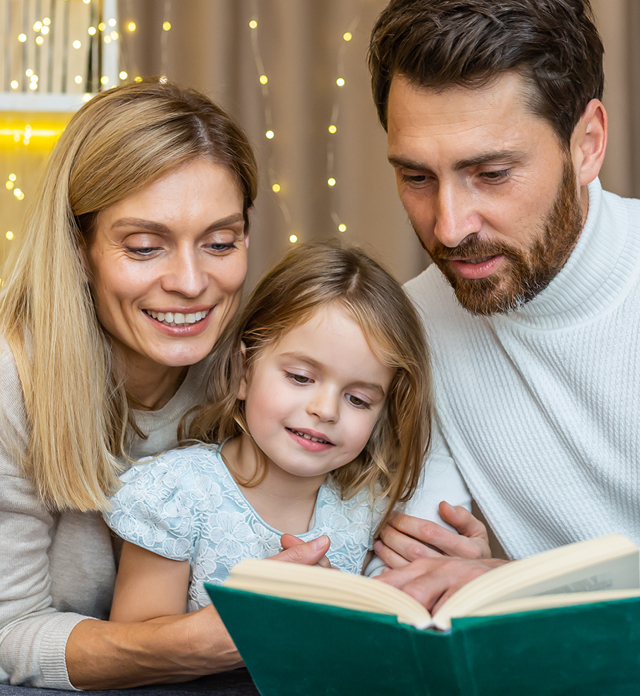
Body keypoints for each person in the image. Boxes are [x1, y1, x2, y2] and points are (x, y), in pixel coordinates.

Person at [0, 80, 329, 691]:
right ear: (79, 249)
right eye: (146, 247)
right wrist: (196, 643)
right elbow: (6, 637)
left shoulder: (256, 365)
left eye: (220, 243)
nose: (190, 281)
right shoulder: (8, 385)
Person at [365, 0, 640, 610]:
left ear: (588, 144)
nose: (449, 227)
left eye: (491, 173)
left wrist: (518, 581)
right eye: (415, 178)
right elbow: (410, 573)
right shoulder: (406, 326)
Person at [102, 242, 431, 619]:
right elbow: (139, 653)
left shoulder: (366, 508)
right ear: (245, 372)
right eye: (300, 377)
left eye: (357, 399)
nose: (324, 410)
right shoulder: (177, 496)